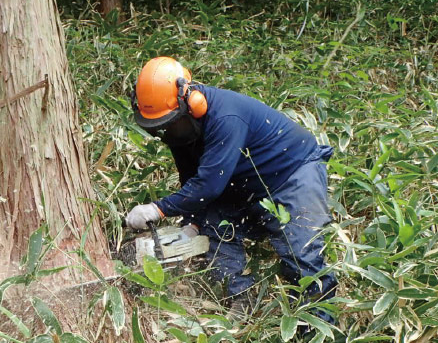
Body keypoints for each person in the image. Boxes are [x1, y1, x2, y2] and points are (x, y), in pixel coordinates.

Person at [125, 56, 337, 321]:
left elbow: (209, 185)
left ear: (190, 102)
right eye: (160, 127)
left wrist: (158, 208)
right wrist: (193, 223)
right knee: (215, 226)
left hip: (293, 173)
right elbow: (192, 177)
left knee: (302, 253)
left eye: (171, 123)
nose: (167, 132)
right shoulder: (179, 129)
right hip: (243, 180)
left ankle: (319, 330)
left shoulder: (226, 116)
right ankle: (240, 298)